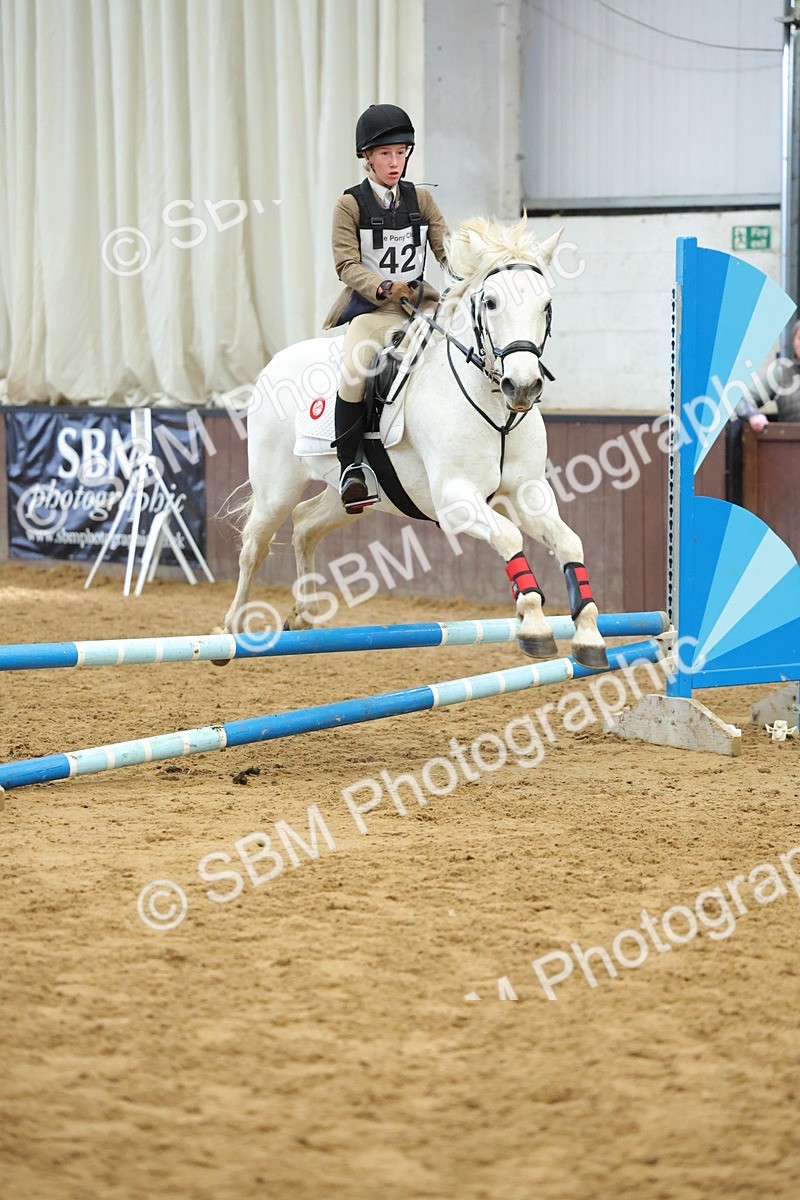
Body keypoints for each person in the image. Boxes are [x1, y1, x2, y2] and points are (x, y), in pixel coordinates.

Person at [323, 104, 449, 511]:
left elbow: (447, 250)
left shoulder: (422, 199)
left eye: (401, 153)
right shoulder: (350, 205)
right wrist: (382, 286)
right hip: (374, 311)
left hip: (422, 307)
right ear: (367, 158)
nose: (395, 162)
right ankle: (350, 469)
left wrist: (479, 262)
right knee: (357, 365)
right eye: (385, 154)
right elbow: (346, 263)